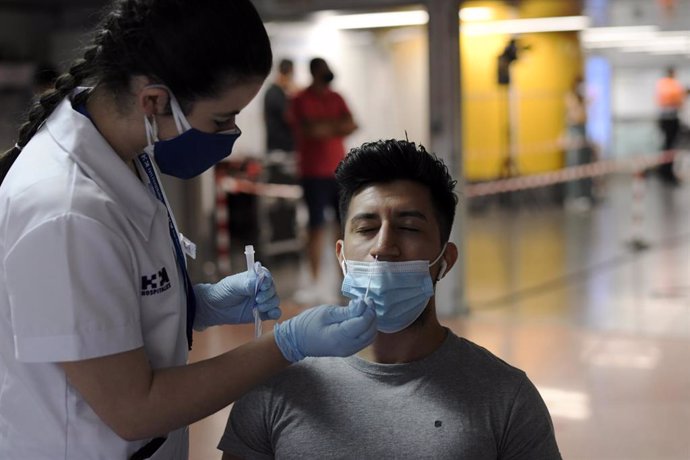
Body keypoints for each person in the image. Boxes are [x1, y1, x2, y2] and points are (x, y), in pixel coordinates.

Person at [0, 1, 377, 459]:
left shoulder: (125, 152)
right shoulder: (66, 210)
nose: (231, 132)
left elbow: (107, 301)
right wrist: (285, 344)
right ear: (155, 100)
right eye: (222, 119)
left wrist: (196, 304)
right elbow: (134, 409)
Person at [218, 139, 562, 459]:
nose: (383, 247)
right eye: (366, 229)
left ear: (445, 260)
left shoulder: (505, 398)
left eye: (409, 228)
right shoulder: (276, 384)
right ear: (341, 255)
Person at [290, 57, 358, 304]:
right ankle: (315, 282)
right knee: (316, 227)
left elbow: (352, 124)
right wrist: (335, 126)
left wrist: (326, 127)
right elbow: (310, 131)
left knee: (343, 228)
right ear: (314, 73)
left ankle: (345, 280)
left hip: (339, 172)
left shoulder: (336, 97)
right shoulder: (300, 99)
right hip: (312, 174)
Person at [563, 75, 594, 211]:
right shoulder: (570, 97)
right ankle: (574, 196)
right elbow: (575, 116)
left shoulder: (583, 99)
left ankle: (585, 194)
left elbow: (584, 117)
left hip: (583, 131)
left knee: (584, 165)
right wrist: (583, 104)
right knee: (574, 165)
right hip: (574, 132)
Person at [655, 66, 688, 184]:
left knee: (667, 146)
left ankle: (664, 171)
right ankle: (666, 172)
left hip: (664, 119)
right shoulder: (673, 85)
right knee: (670, 147)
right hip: (671, 119)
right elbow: (678, 101)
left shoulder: (661, 84)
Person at [263, 58, 296, 154]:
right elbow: (289, 117)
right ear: (289, 72)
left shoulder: (275, 92)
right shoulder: (275, 93)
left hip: (279, 146)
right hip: (280, 148)